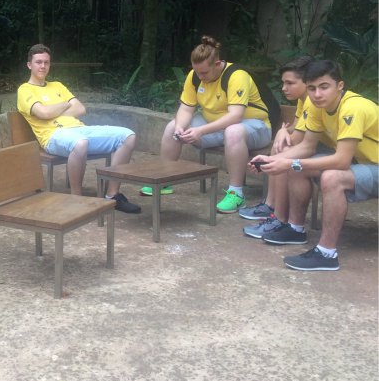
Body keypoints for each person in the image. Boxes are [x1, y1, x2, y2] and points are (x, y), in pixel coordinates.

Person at [249, 60, 378, 271]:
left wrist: (289, 162)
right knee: (297, 167)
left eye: (324, 87)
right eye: (312, 88)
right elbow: (306, 146)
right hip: (366, 164)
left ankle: (326, 254)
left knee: (332, 177)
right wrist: (272, 160)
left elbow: (341, 161)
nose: (317, 94)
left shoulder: (353, 108)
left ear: (340, 86)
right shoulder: (319, 106)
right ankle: (295, 229)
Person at [146, 36, 273, 213]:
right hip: (215, 126)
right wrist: (180, 127)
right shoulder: (195, 76)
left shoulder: (237, 75)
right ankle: (164, 180)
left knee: (233, 131)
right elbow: (186, 108)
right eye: (196, 72)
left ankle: (236, 194)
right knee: (172, 127)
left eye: (204, 73)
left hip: (254, 127)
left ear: (217, 64)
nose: (200, 77)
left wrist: (200, 131)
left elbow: (235, 116)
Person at [16, 43, 141, 212]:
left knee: (128, 136)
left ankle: (112, 195)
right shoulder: (25, 90)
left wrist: (53, 110)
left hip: (79, 130)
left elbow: (80, 109)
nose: (43, 66)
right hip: (53, 136)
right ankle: (76, 199)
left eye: (46, 62)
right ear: (29, 65)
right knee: (80, 143)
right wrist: (65, 104)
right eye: (38, 62)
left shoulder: (57, 85)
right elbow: (43, 113)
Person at [241, 56, 315, 238]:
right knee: (281, 146)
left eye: (290, 83)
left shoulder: (312, 100)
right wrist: (283, 130)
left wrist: (283, 137)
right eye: (283, 83)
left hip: (328, 151)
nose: (284, 88)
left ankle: (279, 219)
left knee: (284, 151)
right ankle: (271, 206)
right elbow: (296, 127)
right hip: (315, 147)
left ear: (307, 82)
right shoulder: (303, 100)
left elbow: (297, 138)